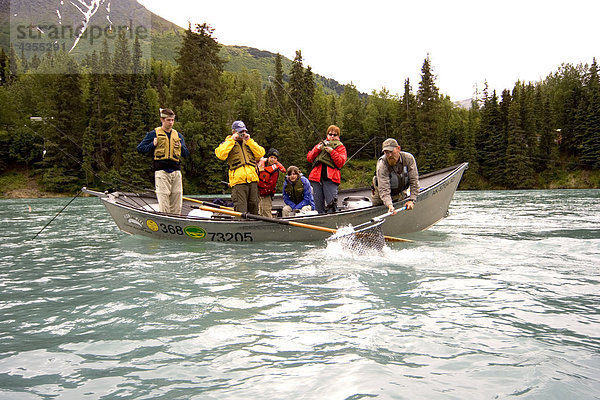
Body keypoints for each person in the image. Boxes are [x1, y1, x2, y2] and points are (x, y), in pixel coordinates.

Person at [137, 108, 189, 215]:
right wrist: (152, 144)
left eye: (172, 120)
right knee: (164, 200)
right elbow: (140, 148)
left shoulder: (178, 136)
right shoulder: (153, 134)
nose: (170, 123)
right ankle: (164, 218)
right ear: (162, 120)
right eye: (168, 120)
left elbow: (186, 154)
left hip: (176, 172)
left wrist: (181, 147)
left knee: (176, 201)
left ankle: (176, 221)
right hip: (161, 172)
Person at [215, 120, 265, 214]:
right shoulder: (227, 142)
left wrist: (249, 140)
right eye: (240, 132)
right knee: (241, 210)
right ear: (234, 132)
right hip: (238, 182)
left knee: (254, 207)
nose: (243, 134)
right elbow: (220, 155)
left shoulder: (249, 142)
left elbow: (261, 153)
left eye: (244, 131)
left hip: (253, 180)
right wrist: (232, 140)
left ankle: (254, 227)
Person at [371, 138, 419, 214]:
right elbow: (384, 188)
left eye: (391, 152)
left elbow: (414, 181)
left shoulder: (408, 159)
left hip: (400, 192)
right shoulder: (382, 164)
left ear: (398, 149)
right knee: (378, 211)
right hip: (381, 196)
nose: (389, 155)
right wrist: (389, 205)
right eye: (386, 152)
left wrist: (412, 200)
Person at [306, 125, 347, 214]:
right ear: (327, 135)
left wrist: (332, 152)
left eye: (335, 135)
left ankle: (332, 220)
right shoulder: (320, 145)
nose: (332, 136)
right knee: (318, 204)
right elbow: (309, 158)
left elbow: (341, 162)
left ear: (338, 136)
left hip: (331, 179)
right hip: (316, 178)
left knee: (331, 204)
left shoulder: (341, 147)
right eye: (330, 134)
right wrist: (317, 149)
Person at [257, 148, 286, 217]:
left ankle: (269, 225)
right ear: (268, 157)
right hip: (259, 192)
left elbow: (272, 184)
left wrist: (264, 192)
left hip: (267, 194)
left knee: (266, 211)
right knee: (260, 211)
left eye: (275, 158)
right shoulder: (261, 165)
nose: (273, 159)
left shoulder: (275, 170)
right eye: (271, 157)